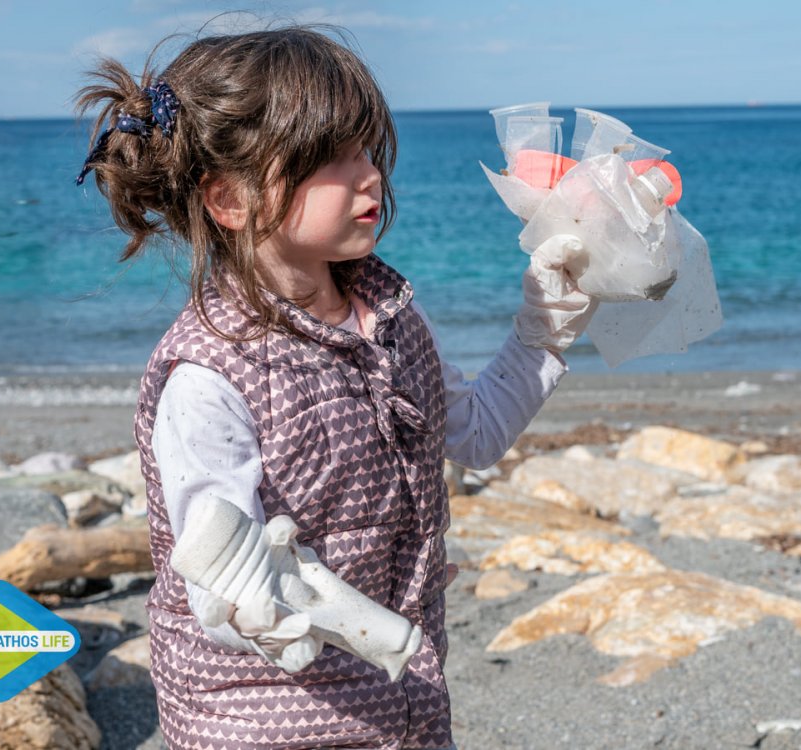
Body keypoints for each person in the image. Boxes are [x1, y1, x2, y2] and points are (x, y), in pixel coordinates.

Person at [76, 24, 596, 750]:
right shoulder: (208, 376)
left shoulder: (389, 317)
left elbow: (473, 435)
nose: (369, 176)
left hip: (401, 700)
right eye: (330, 159)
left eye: (365, 149)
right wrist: (264, 605)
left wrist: (543, 329)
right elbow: (214, 584)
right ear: (230, 198)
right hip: (257, 722)